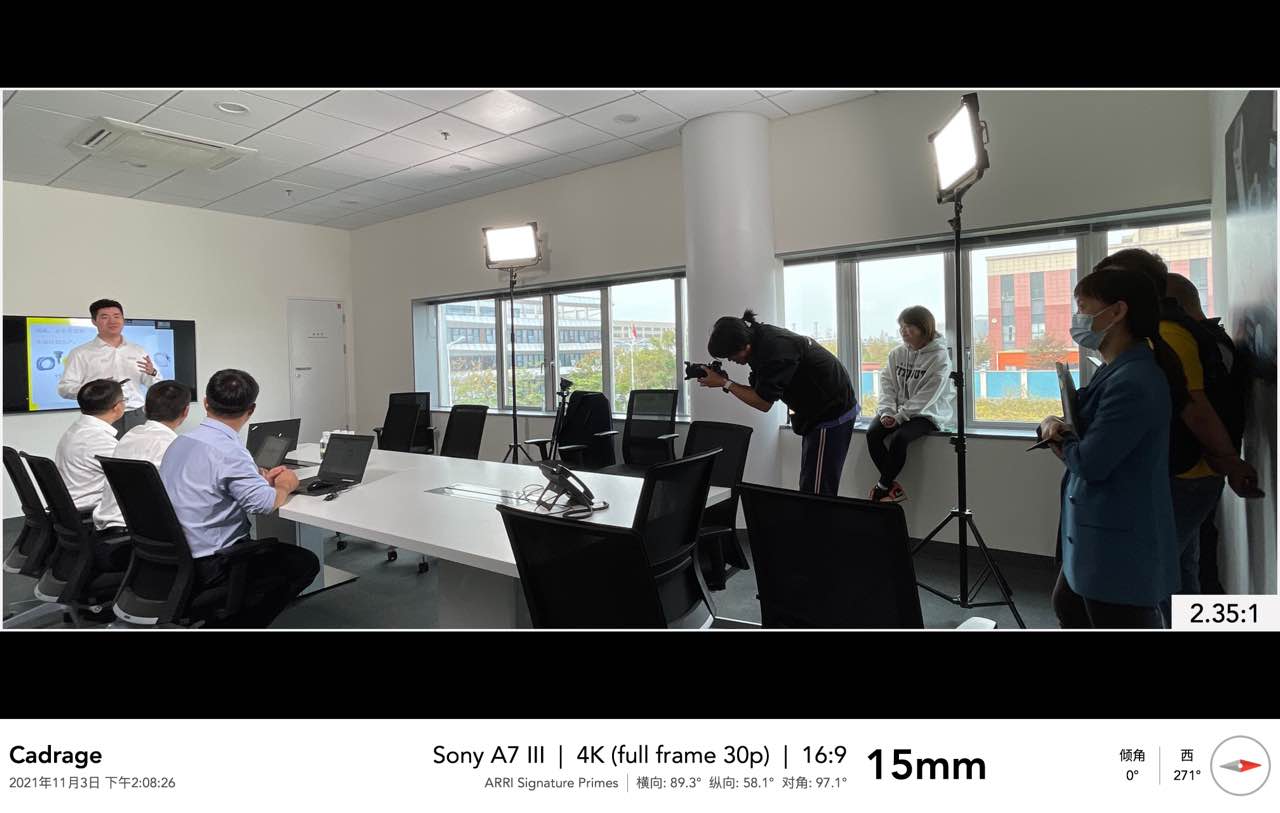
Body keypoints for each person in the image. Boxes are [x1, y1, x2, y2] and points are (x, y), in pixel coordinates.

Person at [1103, 249, 1258, 606]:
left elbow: (1194, 406)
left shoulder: (1168, 335)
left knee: (1154, 572)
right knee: (1181, 571)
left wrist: (1230, 461)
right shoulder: (1179, 333)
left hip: (1184, 473)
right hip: (1192, 471)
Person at [1039, 267, 1184, 628]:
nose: (1078, 319)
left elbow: (1091, 461)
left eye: (1083, 307)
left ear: (1117, 311)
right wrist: (1054, 425)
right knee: (1069, 606)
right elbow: (1087, 422)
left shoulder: (1134, 380)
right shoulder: (1113, 369)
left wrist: (1060, 438)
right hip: (1095, 530)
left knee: (1114, 617)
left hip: (1118, 538)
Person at [160, 369, 318, 628]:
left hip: (173, 558)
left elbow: (209, 484)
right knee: (304, 563)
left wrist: (256, 480)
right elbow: (263, 504)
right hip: (212, 563)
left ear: (206, 403)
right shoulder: (229, 451)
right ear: (251, 410)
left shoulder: (181, 442)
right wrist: (285, 485)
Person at [700, 309, 858, 495]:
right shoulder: (759, 339)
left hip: (831, 412)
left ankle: (817, 515)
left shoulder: (774, 351)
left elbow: (763, 403)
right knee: (811, 483)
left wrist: (724, 383)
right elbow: (760, 392)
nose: (731, 360)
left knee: (817, 492)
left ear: (744, 346)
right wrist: (726, 382)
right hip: (816, 412)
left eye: (731, 356)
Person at [1166, 272, 1248, 594]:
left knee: (1165, 566)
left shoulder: (1192, 342)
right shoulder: (1211, 340)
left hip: (1193, 470)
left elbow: (1197, 408)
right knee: (1185, 563)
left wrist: (1229, 460)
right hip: (1203, 468)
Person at [867, 305, 953, 502]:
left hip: (927, 413)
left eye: (909, 327)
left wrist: (900, 417)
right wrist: (887, 411)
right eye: (901, 327)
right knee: (873, 434)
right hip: (896, 410)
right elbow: (887, 384)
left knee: (900, 439)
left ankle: (882, 488)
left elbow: (928, 395)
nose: (904, 332)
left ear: (924, 328)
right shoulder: (896, 354)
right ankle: (892, 488)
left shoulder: (939, 357)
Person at [93, 380, 192, 534]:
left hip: (112, 529)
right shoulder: (174, 447)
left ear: (144, 408)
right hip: (142, 532)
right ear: (186, 411)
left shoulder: (129, 435)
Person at [52, 379, 129, 571]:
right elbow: (132, 478)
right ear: (117, 407)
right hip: (87, 516)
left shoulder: (78, 429)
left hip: (69, 514)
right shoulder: (98, 440)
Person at [56, 298, 158, 438]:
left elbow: (155, 385)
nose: (112, 321)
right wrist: (95, 390)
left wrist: (152, 373)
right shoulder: (81, 353)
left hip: (136, 415)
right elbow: (64, 388)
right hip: (101, 416)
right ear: (94, 321)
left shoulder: (138, 350)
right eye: (105, 317)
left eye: (116, 316)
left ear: (123, 319)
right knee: (105, 452)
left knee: (139, 451)